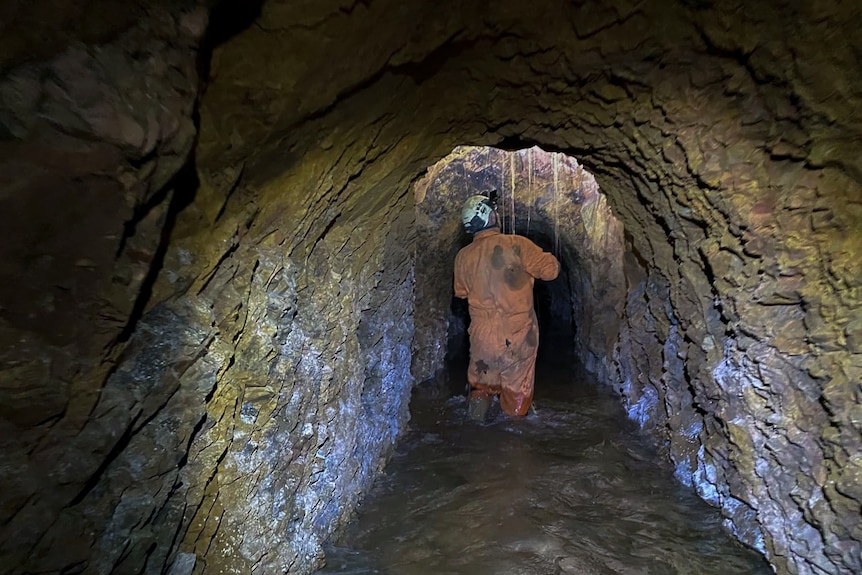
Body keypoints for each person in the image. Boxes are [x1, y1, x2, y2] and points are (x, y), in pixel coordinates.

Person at [453, 191, 560, 420]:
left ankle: (474, 428)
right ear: (490, 217)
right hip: (518, 335)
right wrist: (554, 261)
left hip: (482, 336)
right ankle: (513, 435)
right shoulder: (516, 245)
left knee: (481, 384)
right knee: (516, 390)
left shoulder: (462, 257)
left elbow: (461, 292)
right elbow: (550, 271)